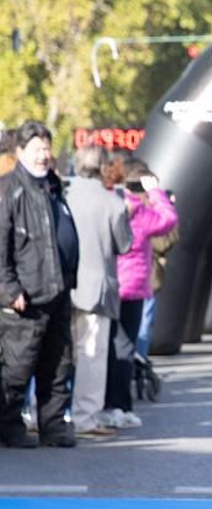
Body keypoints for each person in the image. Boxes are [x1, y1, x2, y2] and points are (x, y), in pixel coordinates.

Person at [0, 122, 79, 448]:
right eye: (37, 149)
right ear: (20, 152)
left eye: (47, 148)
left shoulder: (53, 186)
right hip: (25, 297)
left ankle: (54, 426)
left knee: (58, 364)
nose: (44, 155)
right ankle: (9, 427)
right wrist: (9, 288)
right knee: (17, 368)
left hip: (58, 291)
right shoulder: (10, 189)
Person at [63, 144, 133, 438]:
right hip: (97, 287)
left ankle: (41, 412)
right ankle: (85, 417)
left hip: (62, 285)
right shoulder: (112, 203)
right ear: (104, 166)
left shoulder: (63, 192)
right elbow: (125, 244)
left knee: (55, 353)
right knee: (92, 355)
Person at [106, 158, 178, 428]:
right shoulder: (143, 214)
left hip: (109, 285)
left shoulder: (113, 204)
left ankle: (101, 403)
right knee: (126, 348)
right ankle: (121, 405)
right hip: (133, 288)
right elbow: (169, 220)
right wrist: (157, 192)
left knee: (106, 348)